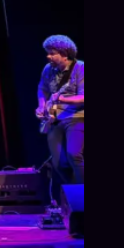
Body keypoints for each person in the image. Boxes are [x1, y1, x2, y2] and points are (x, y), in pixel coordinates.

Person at [36, 35, 84, 199]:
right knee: (58, 163)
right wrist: (41, 105)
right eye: (48, 53)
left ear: (64, 54)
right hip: (54, 119)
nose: (48, 56)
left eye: (52, 53)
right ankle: (75, 197)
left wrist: (62, 98)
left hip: (77, 117)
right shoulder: (48, 69)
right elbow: (42, 89)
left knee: (74, 154)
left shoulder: (80, 68)